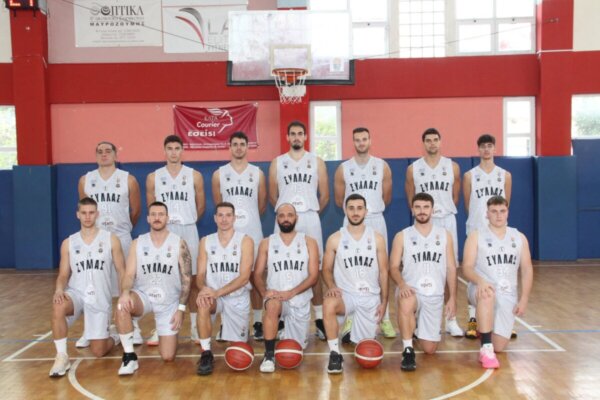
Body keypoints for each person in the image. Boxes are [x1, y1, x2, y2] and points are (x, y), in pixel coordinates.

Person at [49, 197, 126, 377]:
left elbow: (121, 271)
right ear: (78, 215)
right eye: (84, 213)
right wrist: (59, 289)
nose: (88, 216)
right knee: (58, 305)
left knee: (98, 351)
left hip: (100, 297)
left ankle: (113, 336)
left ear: (97, 214)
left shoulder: (111, 240)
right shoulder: (69, 243)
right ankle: (61, 357)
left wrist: (123, 296)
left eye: (91, 213)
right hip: (76, 294)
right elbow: (63, 275)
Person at [115, 201, 192, 375]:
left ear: (167, 218)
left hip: (169, 301)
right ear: (148, 218)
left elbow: (187, 280)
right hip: (143, 296)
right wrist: (125, 293)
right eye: (154, 215)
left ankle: (168, 334)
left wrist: (181, 309)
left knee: (168, 356)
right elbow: (129, 275)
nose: (157, 218)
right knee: (121, 305)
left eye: (161, 214)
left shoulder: (179, 243)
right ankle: (129, 356)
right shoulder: (137, 243)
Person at [77, 141, 142, 347]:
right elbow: (85, 209)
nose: (104, 154)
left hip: (121, 236)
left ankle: (134, 327)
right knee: (95, 284)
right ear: (95, 156)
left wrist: (123, 228)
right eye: (100, 152)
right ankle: (94, 329)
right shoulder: (85, 180)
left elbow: (136, 210)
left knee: (127, 281)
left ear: (115, 155)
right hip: (95, 239)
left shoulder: (128, 179)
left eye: (108, 151)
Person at [269, 121, 329, 340]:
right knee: (279, 265)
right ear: (287, 137)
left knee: (316, 268)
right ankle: (281, 317)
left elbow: (325, 195)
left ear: (305, 137)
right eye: (292, 134)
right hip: (285, 218)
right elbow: (272, 196)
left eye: (300, 134)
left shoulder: (317, 162)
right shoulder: (277, 163)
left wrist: (309, 212)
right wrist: (286, 214)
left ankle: (319, 318)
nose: (296, 137)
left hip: (310, 216)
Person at [333, 127, 395, 340]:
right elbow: (339, 200)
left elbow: (387, 197)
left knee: (380, 269)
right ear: (353, 142)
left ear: (370, 140)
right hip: (352, 219)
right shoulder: (343, 169)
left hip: (375, 218)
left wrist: (371, 210)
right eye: (357, 140)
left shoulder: (382, 166)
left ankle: (384, 317)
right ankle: (350, 315)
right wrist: (356, 213)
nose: (361, 142)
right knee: (348, 268)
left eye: (364, 139)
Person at [146, 135, 205, 345]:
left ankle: (195, 326)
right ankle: (161, 326)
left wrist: (187, 221)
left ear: (182, 151)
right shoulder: (153, 177)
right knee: (164, 280)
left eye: (177, 148)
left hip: (188, 229)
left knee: (193, 280)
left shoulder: (194, 175)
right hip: (165, 232)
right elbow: (152, 209)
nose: (173, 152)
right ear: (164, 151)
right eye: (169, 148)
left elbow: (201, 206)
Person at [389, 193, 457, 371]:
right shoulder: (402, 236)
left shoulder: (445, 235)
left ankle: (417, 327)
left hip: (434, 294)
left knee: (430, 349)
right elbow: (393, 267)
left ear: (432, 210)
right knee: (406, 300)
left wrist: (452, 298)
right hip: (411, 290)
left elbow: (451, 268)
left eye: (426, 207)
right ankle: (408, 349)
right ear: (412, 210)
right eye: (418, 207)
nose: (422, 211)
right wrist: (402, 285)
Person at [462, 196, 532, 369]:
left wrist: (524, 299)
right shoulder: (476, 236)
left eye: (502, 211)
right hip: (480, 288)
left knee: (499, 346)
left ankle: (486, 326)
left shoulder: (519, 237)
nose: (499, 215)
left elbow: (526, 269)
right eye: (494, 211)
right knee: (487, 295)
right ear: (487, 214)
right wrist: (480, 281)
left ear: (508, 212)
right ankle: (485, 348)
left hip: (508, 293)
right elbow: (467, 268)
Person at [405, 128, 463, 337]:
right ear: (423, 143)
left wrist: (441, 210)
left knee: (449, 269)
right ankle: (420, 318)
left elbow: (455, 196)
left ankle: (450, 319)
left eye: (435, 140)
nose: (432, 143)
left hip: (446, 219)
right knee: (420, 268)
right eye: (428, 140)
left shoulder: (453, 167)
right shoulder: (413, 169)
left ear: (440, 142)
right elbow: (411, 197)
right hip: (423, 221)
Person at [321, 194, 389, 374]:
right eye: (351, 208)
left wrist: (384, 302)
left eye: (359, 208)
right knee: (329, 303)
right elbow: (326, 269)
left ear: (366, 211)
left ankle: (351, 328)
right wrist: (332, 287)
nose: (355, 212)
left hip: (370, 297)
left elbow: (384, 272)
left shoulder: (377, 239)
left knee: (365, 351)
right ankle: (335, 354)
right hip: (346, 296)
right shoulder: (335, 238)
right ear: (345, 210)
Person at [212, 132, 267, 341]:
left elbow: (261, 204)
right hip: (229, 234)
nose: (238, 147)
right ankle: (226, 322)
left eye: (242, 144)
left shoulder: (257, 173)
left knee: (255, 275)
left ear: (247, 147)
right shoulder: (219, 174)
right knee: (227, 275)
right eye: (234, 144)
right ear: (230, 147)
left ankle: (258, 321)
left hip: (253, 230)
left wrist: (247, 220)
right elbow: (219, 205)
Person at [253, 203, 319, 373]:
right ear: (277, 219)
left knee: (295, 350)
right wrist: (264, 293)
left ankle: (281, 328)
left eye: (290, 215)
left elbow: (313, 276)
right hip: (276, 297)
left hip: (299, 298)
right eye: (281, 216)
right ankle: (269, 355)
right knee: (272, 305)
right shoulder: (266, 243)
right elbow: (257, 274)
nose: (286, 219)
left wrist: (291, 292)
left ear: (296, 218)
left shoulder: (309, 242)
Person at [463, 134, 513, 339]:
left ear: (494, 149)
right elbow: (468, 204)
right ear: (478, 149)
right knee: (474, 273)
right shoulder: (470, 176)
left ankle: (503, 317)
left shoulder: (505, 175)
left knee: (502, 273)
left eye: (489, 146)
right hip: (477, 230)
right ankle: (472, 318)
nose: (486, 149)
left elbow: (505, 203)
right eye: (483, 146)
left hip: (498, 232)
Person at [195, 202, 254, 375]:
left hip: (237, 297)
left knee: (237, 350)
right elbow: (200, 275)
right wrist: (203, 289)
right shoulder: (205, 241)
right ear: (215, 218)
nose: (224, 219)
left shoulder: (245, 241)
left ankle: (229, 329)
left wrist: (217, 292)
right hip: (214, 297)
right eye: (220, 215)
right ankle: (206, 353)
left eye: (228, 215)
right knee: (203, 303)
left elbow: (244, 277)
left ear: (234, 218)